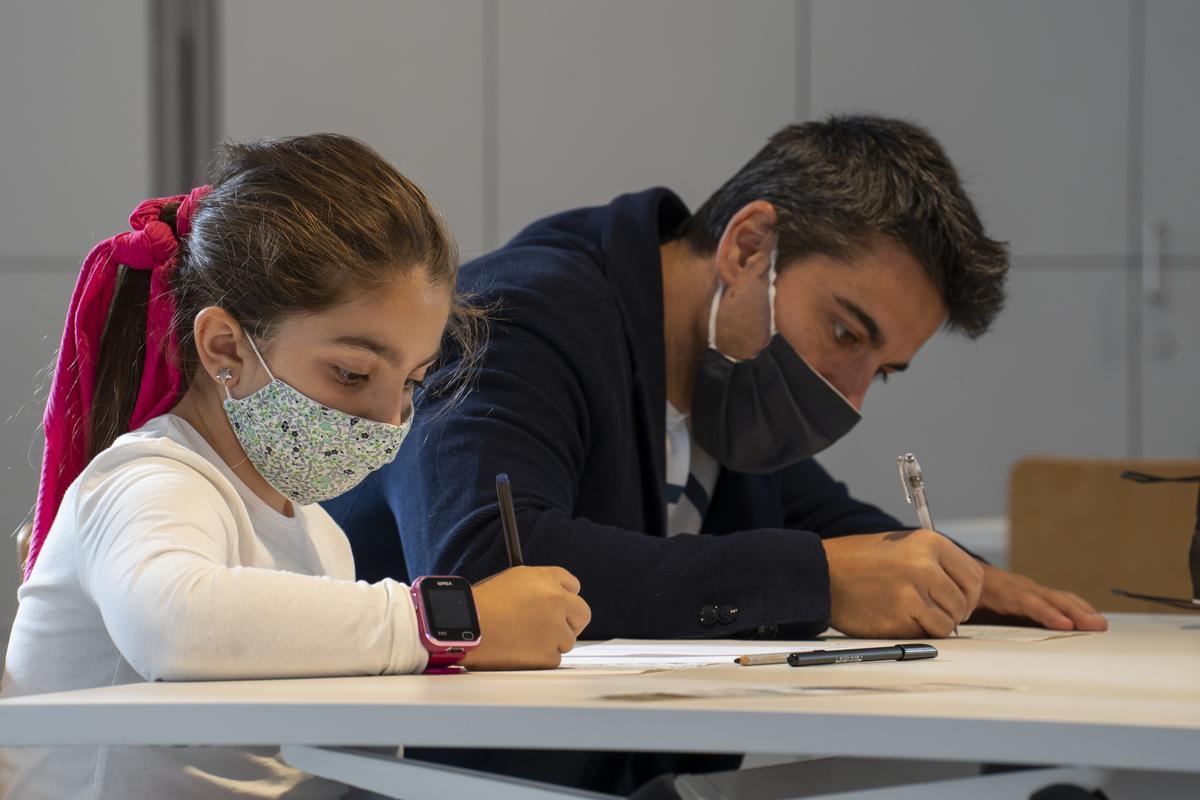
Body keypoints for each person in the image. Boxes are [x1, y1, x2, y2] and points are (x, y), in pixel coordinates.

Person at [326, 115, 1108, 792]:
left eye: (884, 371)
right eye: (844, 333)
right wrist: (822, 580)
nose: (852, 396)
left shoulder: (718, 388)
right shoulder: (522, 319)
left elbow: (819, 514)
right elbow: (484, 562)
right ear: (747, 245)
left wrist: (958, 575)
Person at [0, 134, 590, 799]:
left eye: (411, 384)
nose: (386, 417)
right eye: (352, 373)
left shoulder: (321, 538)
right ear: (226, 347)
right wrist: (455, 622)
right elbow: (177, 625)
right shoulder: (148, 478)